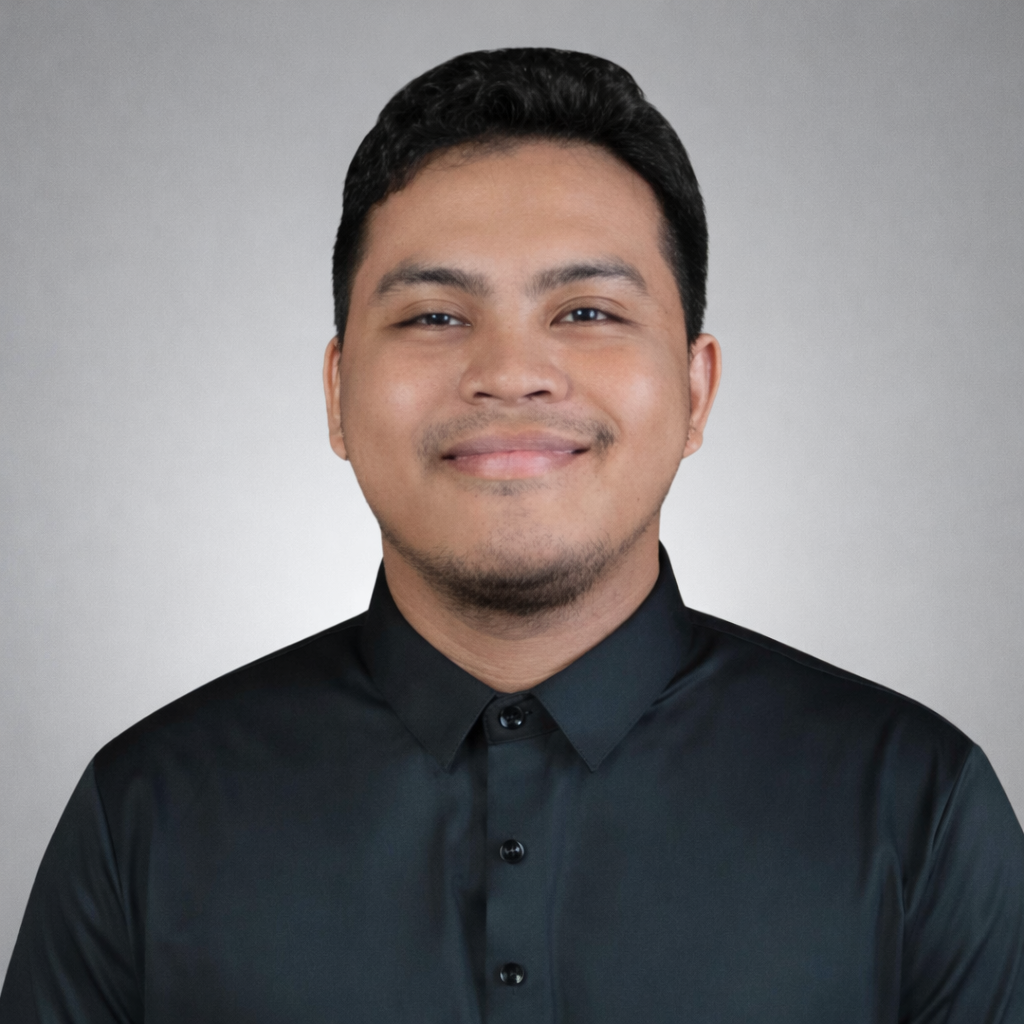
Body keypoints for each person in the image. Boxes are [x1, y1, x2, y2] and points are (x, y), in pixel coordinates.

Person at [2, 46, 1021, 1024]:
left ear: (696, 389)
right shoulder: (147, 813)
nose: (510, 373)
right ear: (339, 393)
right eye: (435, 317)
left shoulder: (915, 808)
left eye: (587, 311)